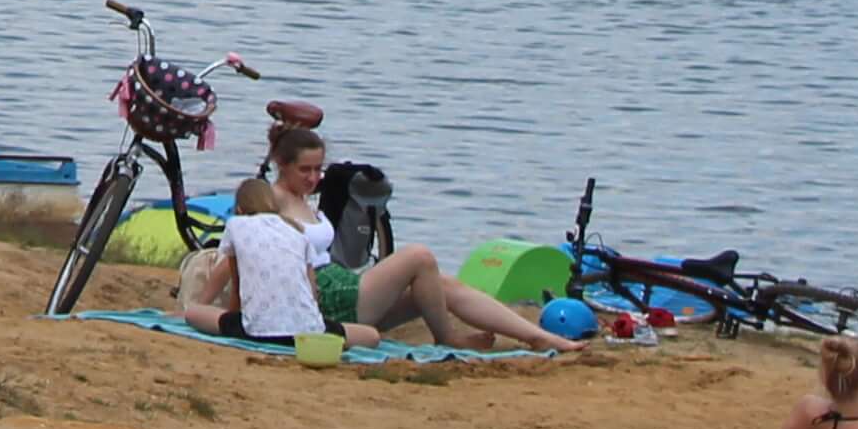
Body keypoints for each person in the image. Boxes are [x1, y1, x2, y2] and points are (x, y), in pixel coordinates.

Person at [211, 130, 589, 355]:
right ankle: (448, 339)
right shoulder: (270, 201)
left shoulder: (303, 199)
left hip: (344, 286)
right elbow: (242, 250)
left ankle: (539, 338)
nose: (314, 178)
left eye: (318, 169)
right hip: (325, 298)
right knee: (419, 256)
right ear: (281, 164)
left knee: (442, 285)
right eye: (304, 170)